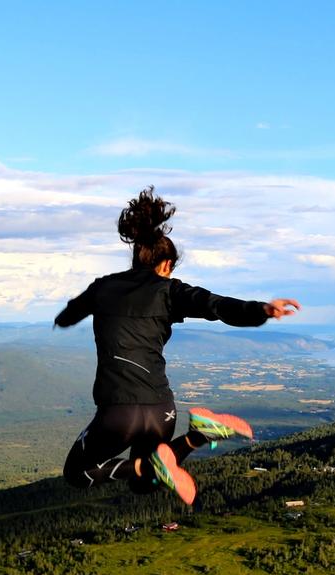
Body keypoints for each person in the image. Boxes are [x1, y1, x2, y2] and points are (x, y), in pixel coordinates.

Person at [53, 187, 300, 505]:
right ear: (166, 264)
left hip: (118, 411)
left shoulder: (103, 288)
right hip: (161, 410)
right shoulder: (170, 291)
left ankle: (159, 457)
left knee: (77, 474)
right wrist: (261, 310)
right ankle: (198, 435)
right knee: (146, 484)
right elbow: (216, 305)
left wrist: (72, 313)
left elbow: (66, 316)